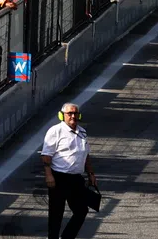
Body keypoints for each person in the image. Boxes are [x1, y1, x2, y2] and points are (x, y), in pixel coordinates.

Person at [39, 102, 98, 238]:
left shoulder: (82, 132)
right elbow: (46, 156)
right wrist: (49, 176)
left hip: (76, 178)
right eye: (69, 113)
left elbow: (86, 154)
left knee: (81, 210)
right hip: (59, 178)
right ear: (62, 115)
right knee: (56, 214)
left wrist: (91, 174)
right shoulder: (55, 131)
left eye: (75, 113)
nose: (73, 116)